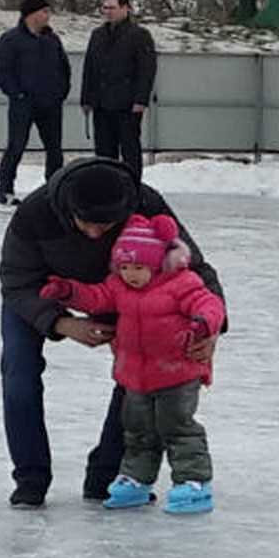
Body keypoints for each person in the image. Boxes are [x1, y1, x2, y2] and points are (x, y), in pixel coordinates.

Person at [0, 155, 225, 509]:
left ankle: (106, 475)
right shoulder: (35, 212)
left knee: (141, 372)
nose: (94, 233)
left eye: (106, 227)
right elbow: (16, 283)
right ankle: (30, 478)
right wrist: (62, 322)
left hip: (123, 290)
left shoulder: (145, 203)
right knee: (19, 372)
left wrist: (212, 329)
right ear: (68, 208)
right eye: (86, 223)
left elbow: (194, 269)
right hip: (42, 292)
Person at [39, 214, 226, 514]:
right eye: (124, 267)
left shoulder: (181, 283)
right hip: (135, 376)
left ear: (157, 264)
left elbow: (208, 303)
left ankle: (193, 482)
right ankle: (137, 481)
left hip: (177, 373)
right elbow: (96, 297)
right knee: (138, 431)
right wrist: (68, 292)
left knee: (177, 427)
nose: (130, 274)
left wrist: (204, 325)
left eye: (138, 268)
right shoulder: (119, 286)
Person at [0, 0, 71, 208]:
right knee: (16, 145)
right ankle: (5, 189)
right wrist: (16, 93)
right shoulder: (11, 39)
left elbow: (64, 67)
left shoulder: (52, 39)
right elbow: (1, 70)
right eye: (44, 11)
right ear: (30, 14)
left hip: (51, 103)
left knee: (54, 148)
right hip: (23, 102)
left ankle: (53, 190)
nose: (48, 16)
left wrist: (61, 91)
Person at [80, 0, 157, 175]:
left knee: (130, 150)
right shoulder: (97, 35)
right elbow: (89, 67)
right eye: (105, 8)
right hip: (101, 103)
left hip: (127, 104)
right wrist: (86, 98)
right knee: (104, 152)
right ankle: (107, 191)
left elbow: (147, 69)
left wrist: (141, 100)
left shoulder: (139, 35)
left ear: (125, 8)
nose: (108, 12)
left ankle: (132, 189)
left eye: (112, 8)